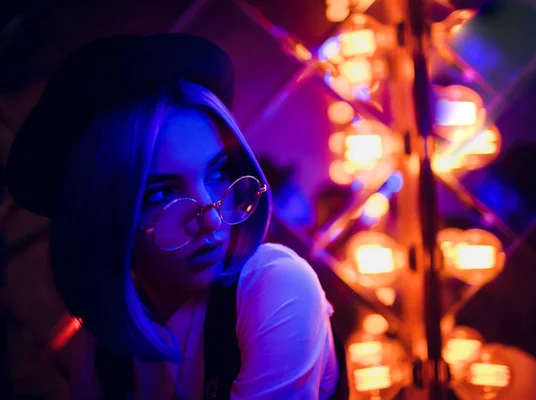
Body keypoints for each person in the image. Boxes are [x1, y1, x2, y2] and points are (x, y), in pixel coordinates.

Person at [5, 34, 345, 399]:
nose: (212, 219)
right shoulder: (105, 343)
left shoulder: (274, 283)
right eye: (161, 193)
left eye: (216, 173)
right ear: (103, 216)